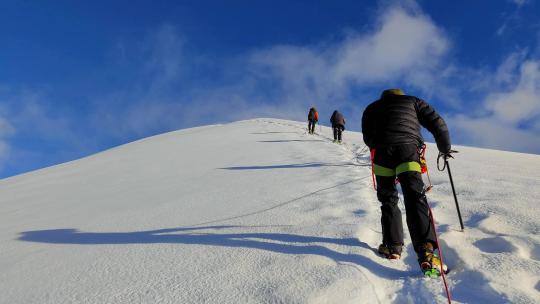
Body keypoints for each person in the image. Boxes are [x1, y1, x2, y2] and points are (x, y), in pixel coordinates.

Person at [361, 88, 452, 273]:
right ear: (400, 96)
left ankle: (392, 246)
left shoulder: (371, 108)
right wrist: (444, 148)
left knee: (387, 199)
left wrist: (379, 144)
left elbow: (367, 136)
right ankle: (426, 251)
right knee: (414, 196)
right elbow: (437, 123)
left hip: (381, 154)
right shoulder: (413, 101)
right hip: (407, 151)